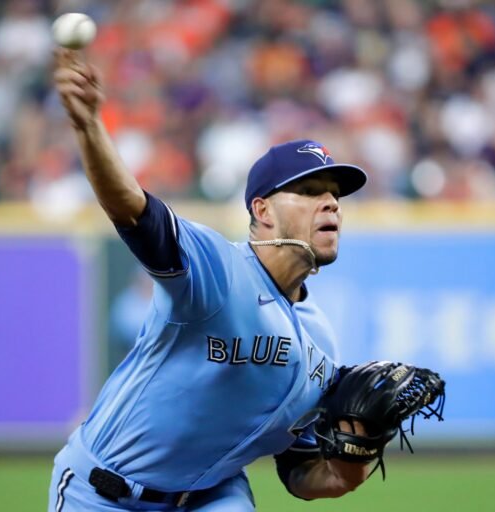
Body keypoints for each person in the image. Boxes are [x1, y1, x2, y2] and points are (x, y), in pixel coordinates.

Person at [49, 48, 373, 512]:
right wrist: (88, 127)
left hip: (212, 498)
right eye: (308, 191)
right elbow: (132, 209)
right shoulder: (218, 271)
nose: (330, 204)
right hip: (104, 491)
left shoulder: (320, 341)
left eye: (334, 195)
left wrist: (357, 454)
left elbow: (303, 475)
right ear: (262, 210)